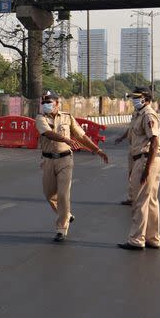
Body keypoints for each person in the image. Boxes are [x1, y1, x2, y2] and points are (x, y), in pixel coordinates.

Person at [36, 90, 109, 243]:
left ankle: (61, 229)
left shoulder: (67, 118)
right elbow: (48, 133)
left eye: (49, 102)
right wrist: (66, 139)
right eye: (44, 103)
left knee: (63, 195)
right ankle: (67, 215)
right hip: (48, 160)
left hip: (65, 160)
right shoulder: (40, 118)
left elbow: (81, 136)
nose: (45, 105)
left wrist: (97, 150)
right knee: (49, 195)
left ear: (57, 103)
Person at [118, 86, 160, 251]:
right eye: (133, 97)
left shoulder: (148, 115)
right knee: (150, 201)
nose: (134, 100)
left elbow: (154, 142)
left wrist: (146, 168)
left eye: (138, 98)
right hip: (144, 159)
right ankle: (153, 238)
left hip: (146, 159)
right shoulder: (139, 114)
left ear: (147, 99)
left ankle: (136, 240)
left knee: (140, 201)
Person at [114, 98, 143, 205]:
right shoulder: (135, 114)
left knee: (138, 175)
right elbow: (130, 129)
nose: (134, 102)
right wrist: (121, 137)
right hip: (132, 147)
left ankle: (139, 198)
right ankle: (132, 197)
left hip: (141, 150)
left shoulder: (145, 115)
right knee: (131, 174)